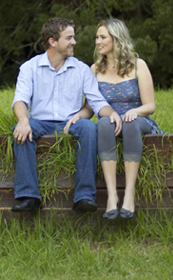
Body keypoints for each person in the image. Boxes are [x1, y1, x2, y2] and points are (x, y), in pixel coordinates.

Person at [11, 17, 121, 213]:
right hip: (39, 122)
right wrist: (23, 121)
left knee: (89, 127)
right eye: (69, 38)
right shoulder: (30, 67)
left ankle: (84, 197)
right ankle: (29, 197)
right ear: (53, 42)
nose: (74, 42)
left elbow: (96, 101)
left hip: (71, 123)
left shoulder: (81, 69)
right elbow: (20, 100)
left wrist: (112, 113)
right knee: (20, 131)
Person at [91, 19, 162, 220]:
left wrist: (135, 112)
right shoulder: (94, 69)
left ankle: (129, 194)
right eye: (97, 37)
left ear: (116, 38)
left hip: (137, 120)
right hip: (110, 122)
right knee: (103, 122)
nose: (97, 41)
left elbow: (150, 106)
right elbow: (91, 106)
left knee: (130, 123)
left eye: (102, 37)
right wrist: (75, 117)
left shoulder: (138, 65)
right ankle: (112, 196)